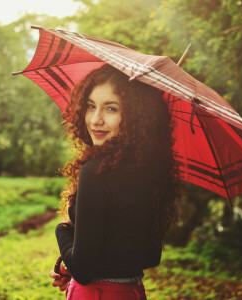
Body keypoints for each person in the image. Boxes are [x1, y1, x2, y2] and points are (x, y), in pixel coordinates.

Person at [48, 64, 179, 299]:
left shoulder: (95, 171)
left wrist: (63, 229)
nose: (95, 119)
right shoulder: (152, 172)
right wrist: (75, 263)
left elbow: (84, 270)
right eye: (90, 106)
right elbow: (150, 256)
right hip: (132, 293)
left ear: (134, 116)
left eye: (111, 108)